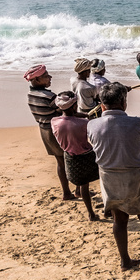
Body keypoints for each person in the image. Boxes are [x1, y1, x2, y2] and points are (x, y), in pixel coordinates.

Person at [87, 82, 140, 270]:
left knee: (119, 219)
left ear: (101, 106)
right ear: (124, 103)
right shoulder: (136, 122)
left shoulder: (92, 124)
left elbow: (93, 143)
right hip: (134, 175)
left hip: (109, 177)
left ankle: (125, 260)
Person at [24, 64, 75, 201]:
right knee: (72, 159)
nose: (50, 77)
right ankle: (78, 190)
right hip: (55, 131)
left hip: (43, 130)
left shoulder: (30, 94)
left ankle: (66, 192)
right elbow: (64, 111)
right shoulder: (49, 96)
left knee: (60, 161)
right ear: (37, 80)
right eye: (46, 76)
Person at [51, 91, 100, 221]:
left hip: (69, 156)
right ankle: (91, 213)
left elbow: (68, 118)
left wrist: (80, 115)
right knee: (85, 186)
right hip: (85, 156)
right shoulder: (83, 123)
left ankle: (89, 211)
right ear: (74, 106)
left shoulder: (54, 122)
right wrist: (86, 117)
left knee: (81, 182)